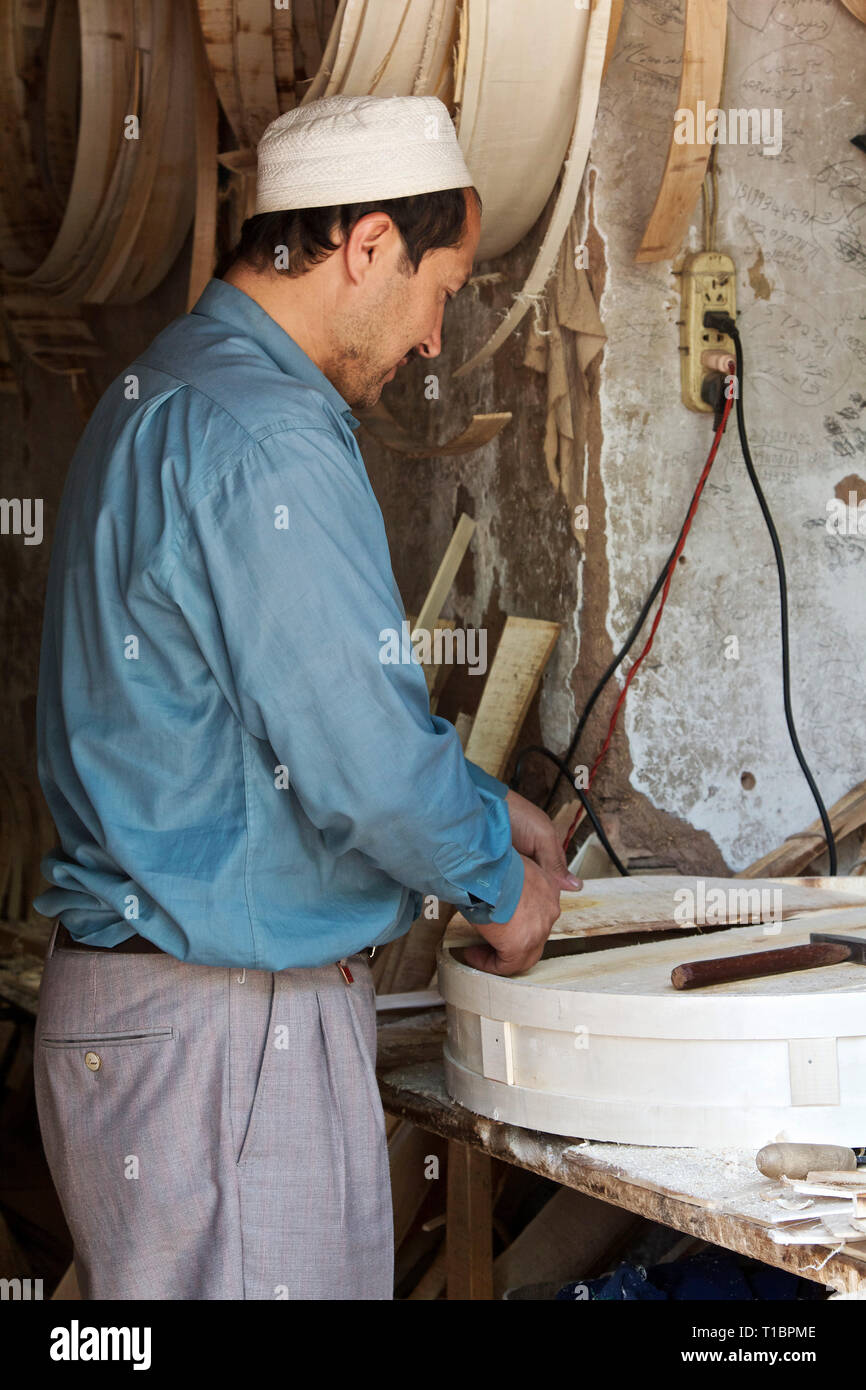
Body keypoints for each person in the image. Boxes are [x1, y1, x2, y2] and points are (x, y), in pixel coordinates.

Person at [33, 94, 579, 1301]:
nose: (435, 338)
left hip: (153, 1021)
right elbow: (358, 761)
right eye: (441, 286)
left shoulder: (164, 395)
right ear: (367, 245)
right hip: (222, 1036)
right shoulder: (268, 434)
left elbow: (251, 721)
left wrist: (480, 801)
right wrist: (496, 879)